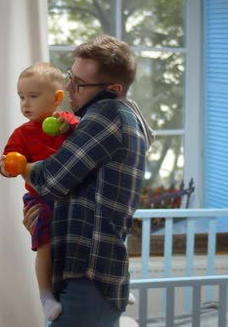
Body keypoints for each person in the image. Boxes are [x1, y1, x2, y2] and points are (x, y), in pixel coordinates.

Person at [20, 35, 154, 326]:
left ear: (114, 89)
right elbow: (75, 186)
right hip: (85, 272)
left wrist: (23, 166)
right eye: (71, 76)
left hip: (89, 273)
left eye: (79, 83)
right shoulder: (120, 117)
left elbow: (51, 178)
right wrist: (45, 218)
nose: (68, 88)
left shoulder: (108, 114)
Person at [0, 62, 79, 321]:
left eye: (33, 96)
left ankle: (105, 287)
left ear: (57, 99)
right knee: (45, 244)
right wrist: (7, 166)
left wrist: (67, 124)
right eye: (21, 97)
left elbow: (77, 127)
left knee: (82, 237)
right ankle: (45, 295)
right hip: (40, 197)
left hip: (71, 197)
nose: (25, 104)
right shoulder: (21, 134)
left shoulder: (66, 121)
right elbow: (7, 162)